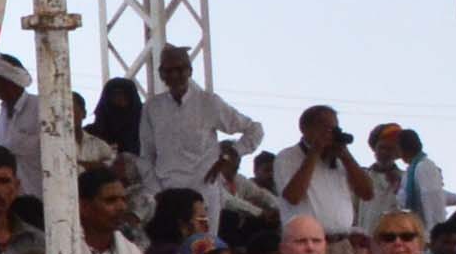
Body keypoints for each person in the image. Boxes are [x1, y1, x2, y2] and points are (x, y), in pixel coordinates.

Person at [137, 43, 261, 206]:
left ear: (190, 71)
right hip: (167, 195)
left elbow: (255, 130)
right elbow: (147, 154)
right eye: (169, 71)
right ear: (161, 74)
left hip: (204, 195)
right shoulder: (152, 107)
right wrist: (156, 190)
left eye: (180, 69)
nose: (174, 75)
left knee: (204, 233)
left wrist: (231, 154)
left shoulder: (208, 102)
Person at [274, 109, 371, 240]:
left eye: (334, 129)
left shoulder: (340, 159)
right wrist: (314, 152)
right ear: (304, 128)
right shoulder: (287, 157)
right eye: (324, 128)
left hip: (341, 242)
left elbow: (367, 193)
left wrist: (346, 157)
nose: (330, 133)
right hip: (305, 241)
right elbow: (293, 196)